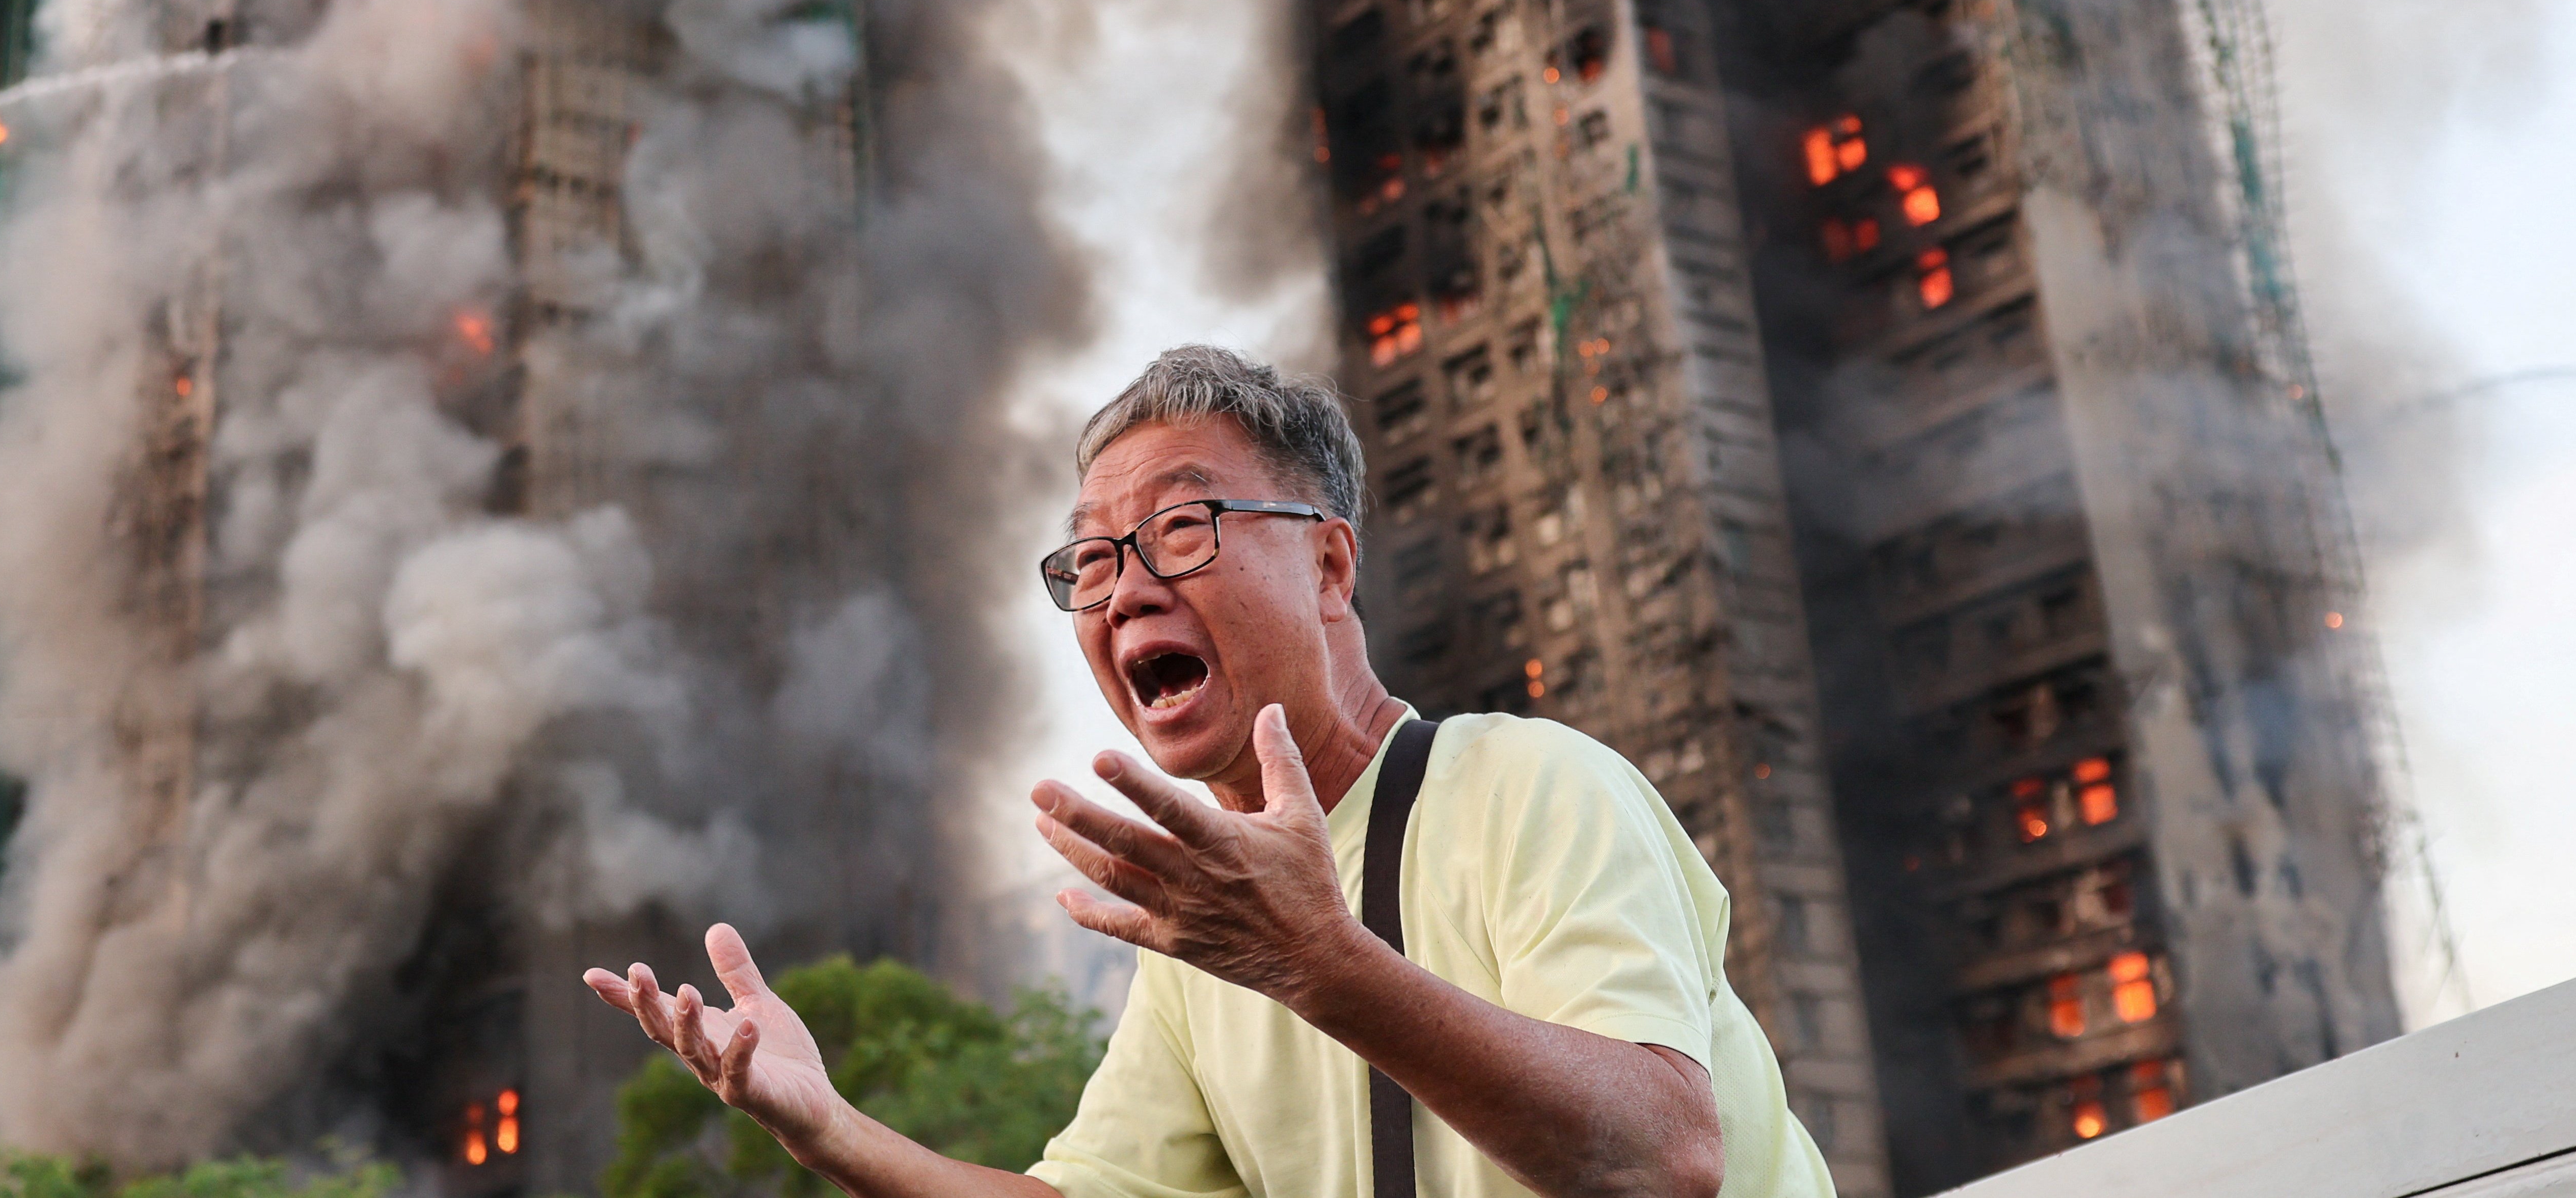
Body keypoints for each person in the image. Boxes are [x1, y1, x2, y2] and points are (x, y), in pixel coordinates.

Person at [585, 345, 1837, 1198]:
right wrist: (831, 1130)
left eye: (1181, 528)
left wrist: (1319, 962)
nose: (1123, 587)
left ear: (1332, 569)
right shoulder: (1207, 945)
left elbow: (1665, 1158)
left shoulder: (1531, 788)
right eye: (1088, 563)